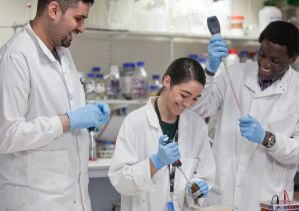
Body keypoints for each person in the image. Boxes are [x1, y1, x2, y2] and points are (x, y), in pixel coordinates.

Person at [191, 21, 299, 210]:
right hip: (223, 194)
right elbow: (199, 109)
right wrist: (209, 71)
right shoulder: (234, 74)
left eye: (275, 60)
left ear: (293, 59)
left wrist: (267, 138)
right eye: (263, 55)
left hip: (267, 198)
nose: (266, 64)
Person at [0, 0, 111, 210]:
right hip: (34, 200)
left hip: (72, 197)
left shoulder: (63, 53)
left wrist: (88, 112)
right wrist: (68, 121)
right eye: (78, 18)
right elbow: (6, 135)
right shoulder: (15, 57)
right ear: (53, 10)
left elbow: (57, 105)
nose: (82, 28)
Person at [109, 57, 215, 211]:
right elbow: (120, 180)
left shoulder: (197, 126)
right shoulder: (134, 122)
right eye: (184, 95)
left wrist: (197, 187)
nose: (187, 104)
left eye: (194, 99)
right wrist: (155, 162)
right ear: (167, 82)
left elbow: (205, 174)